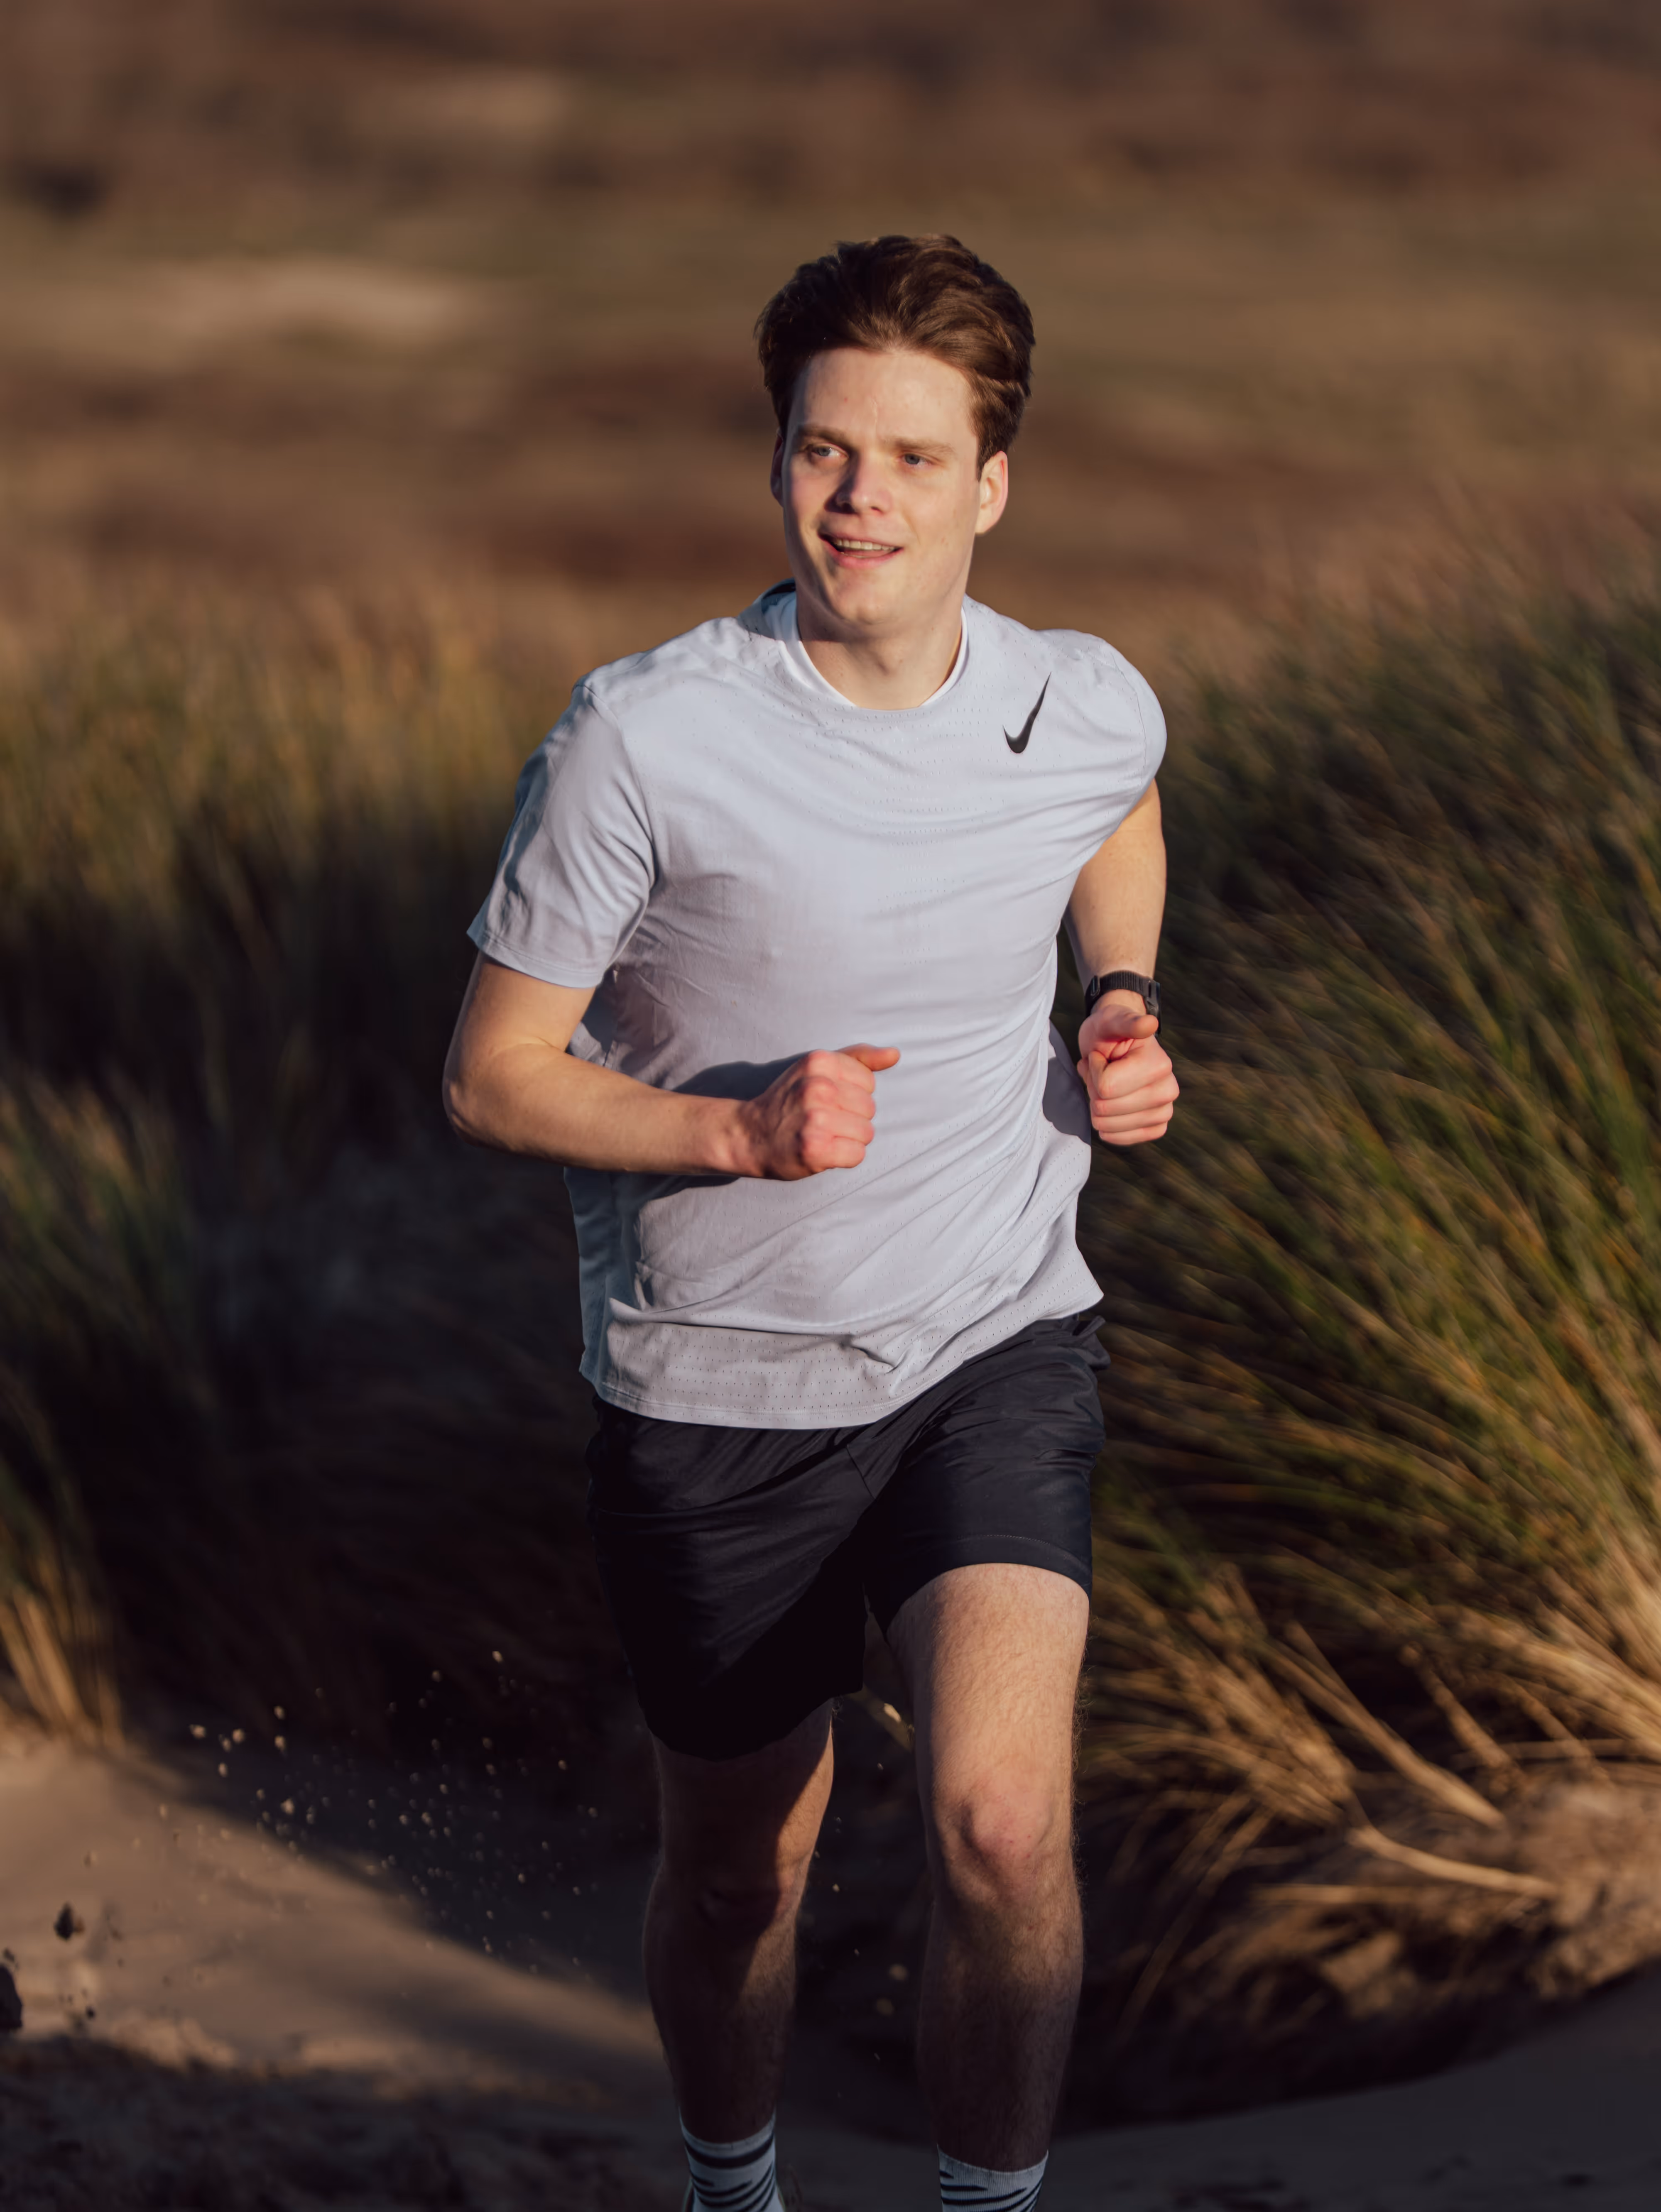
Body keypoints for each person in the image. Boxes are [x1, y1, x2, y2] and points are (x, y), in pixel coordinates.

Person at [443, 234, 1177, 2212]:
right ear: (777, 462)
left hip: (993, 1336)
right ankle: (733, 2184)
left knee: (1003, 1830)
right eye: (823, 451)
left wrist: (1118, 1000)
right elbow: (493, 1074)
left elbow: (1117, 813)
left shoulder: (1079, 699)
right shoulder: (646, 738)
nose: (861, 499)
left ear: (989, 485)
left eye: (912, 460)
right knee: (740, 1865)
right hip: (717, 1389)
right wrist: (734, 1137)